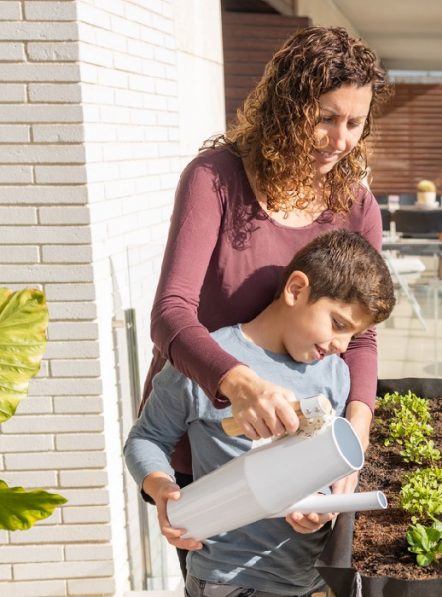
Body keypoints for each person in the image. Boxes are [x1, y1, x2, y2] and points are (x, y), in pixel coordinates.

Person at [145, 26, 390, 502]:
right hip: (207, 438)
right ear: (287, 106)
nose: (340, 140)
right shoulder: (215, 179)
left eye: (355, 123)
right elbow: (170, 314)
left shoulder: (357, 208)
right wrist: (239, 384)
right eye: (325, 118)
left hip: (301, 447)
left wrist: (356, 430)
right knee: (212, 574)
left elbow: (362, 338)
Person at [125, 230, 396, 597]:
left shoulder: (335, 373)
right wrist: (161, 488)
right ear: (296, 290)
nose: (342, 345)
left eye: (353, 335)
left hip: (313, 582)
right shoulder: (209, 361)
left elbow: (325, 464)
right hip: (231, 579)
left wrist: (322, 509)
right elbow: (146, 437)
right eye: (338, 324)